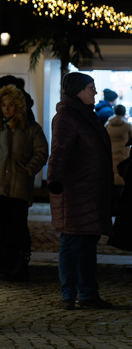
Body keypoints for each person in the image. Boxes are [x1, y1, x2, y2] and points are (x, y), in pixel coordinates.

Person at [48, 72, 114, 310]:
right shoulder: (67, 116)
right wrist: (54, 180)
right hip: (75, 193)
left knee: (87, 244)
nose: (95, 92)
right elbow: (60, 151)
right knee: (72, 242)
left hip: (90, 192)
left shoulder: (87, 115)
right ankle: (69, 293)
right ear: (77, 90)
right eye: (90, 87)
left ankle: (87, 293)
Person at [0, 85, 48, 281]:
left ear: (19, 106)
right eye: (3, 105)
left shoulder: (31, 129)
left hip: (20, 185)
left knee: (18, 227)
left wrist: (28, 170)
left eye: (11, 104)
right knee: (2, 227)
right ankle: (6, 263)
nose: (7, 108)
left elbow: (41, 153)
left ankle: (20, 264)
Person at [106, 104, 132, 216]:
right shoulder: (127, 126)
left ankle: (110, 208)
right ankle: (119, 209)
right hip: (122, 156)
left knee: (111, 182)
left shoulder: (108, 125)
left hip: (110, 156)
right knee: (121, 183)